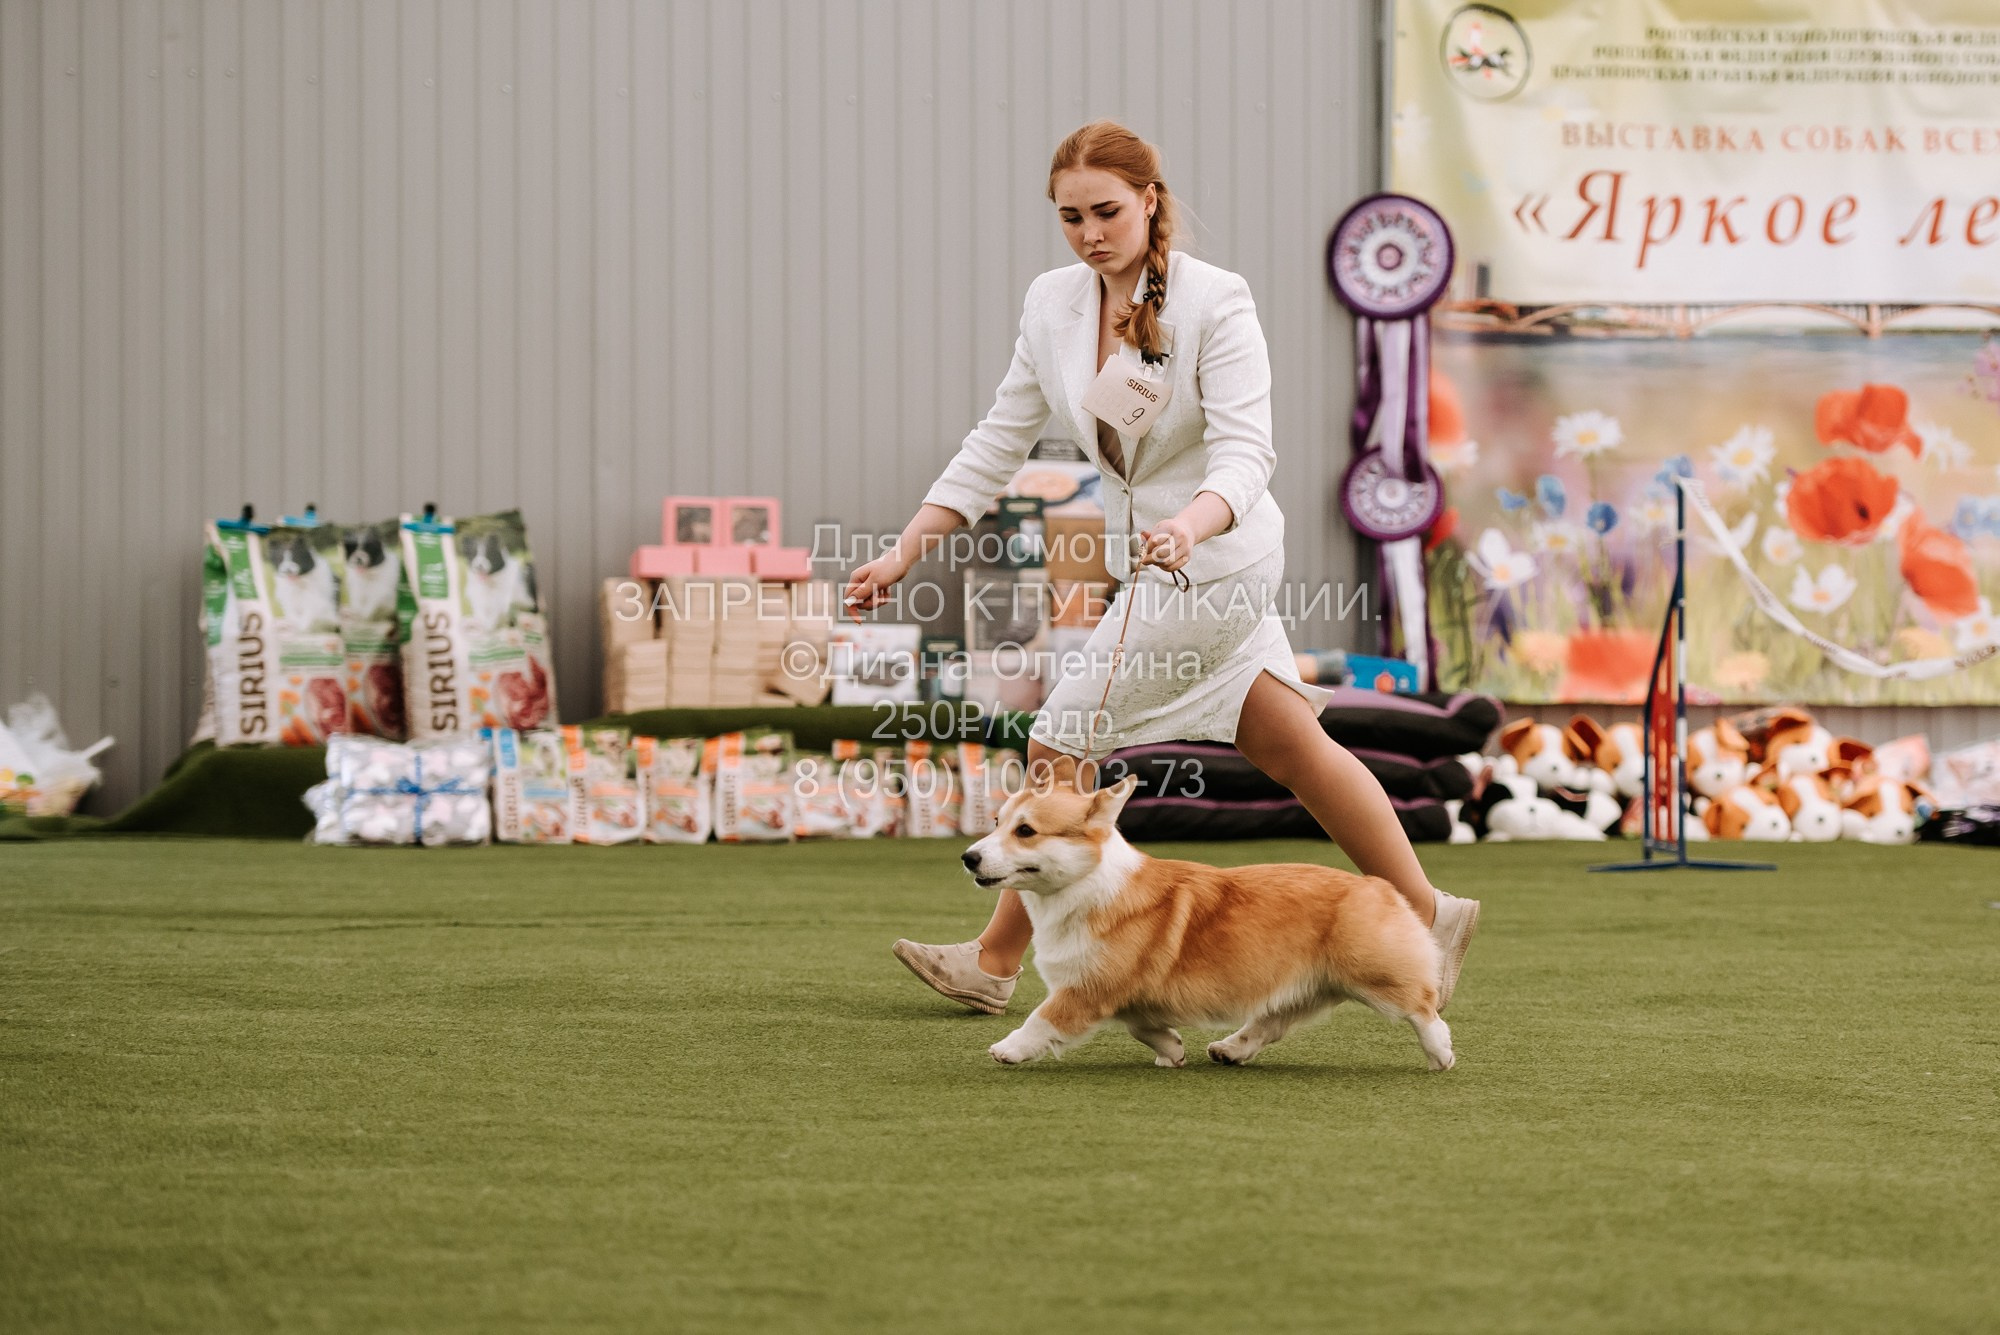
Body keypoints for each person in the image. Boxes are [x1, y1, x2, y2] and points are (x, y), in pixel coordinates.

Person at [844, 121, 1478, 1017]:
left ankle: (993, 961)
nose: (1089, 233)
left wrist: (1189, 523)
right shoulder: (1051, 304)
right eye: (1070, 217)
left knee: (1060, 742)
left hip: (1215, 563)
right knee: (1292, 746)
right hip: (1149, 569)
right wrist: (907, 546)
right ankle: (1430, 915)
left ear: (1150, 199)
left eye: (1106, 211)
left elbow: (1248, 452)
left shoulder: (1217, 300)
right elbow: (998, 439)